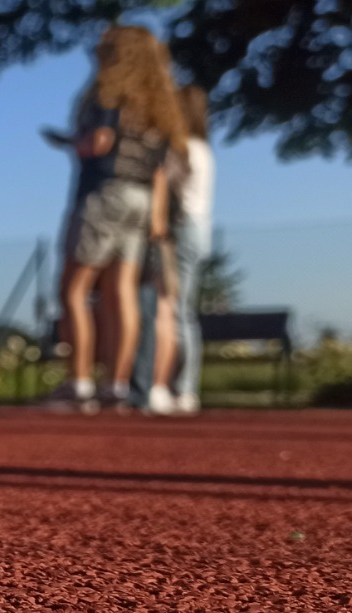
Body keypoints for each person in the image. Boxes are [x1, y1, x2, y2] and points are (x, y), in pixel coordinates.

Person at [40, 26, 187, 414]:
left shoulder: (108, 94)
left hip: (104, 194)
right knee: (120, 293)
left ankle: (79, 383)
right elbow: (159, 170)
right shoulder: (158, 108)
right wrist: (158, 222)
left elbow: (99, 143)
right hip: (141, 199)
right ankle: (117, 385)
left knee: (74, 289)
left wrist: (67, 142)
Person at [134, 84, 214, 416]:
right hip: (199, 228)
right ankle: (183, 387)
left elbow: (163, 180)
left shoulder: (186, 148)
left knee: (176, 309)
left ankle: (183, 387)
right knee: (181, 309)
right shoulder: (203, 148)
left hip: (184, 228)